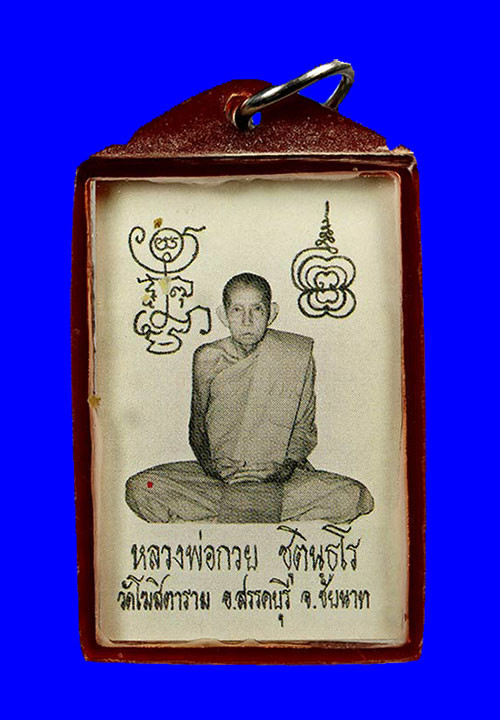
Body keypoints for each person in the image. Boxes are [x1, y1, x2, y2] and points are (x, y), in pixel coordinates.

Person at [126, 273, 374, 523]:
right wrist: (214, 469)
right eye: (237, 310)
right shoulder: (208, 358)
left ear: (271, 313)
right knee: (142, 487)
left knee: (352, 496)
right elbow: (197, 427)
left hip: (278, 478)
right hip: (222, 479)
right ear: (223, 315)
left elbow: (304, 429)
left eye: (257, 309)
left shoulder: (295, 354)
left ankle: (223, 515)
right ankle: (260, 513)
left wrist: (282, 470)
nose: (247, 321)